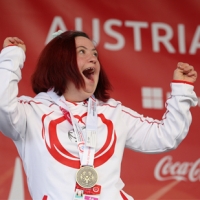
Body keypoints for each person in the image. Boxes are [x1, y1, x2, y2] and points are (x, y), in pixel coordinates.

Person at [0, 30, 198, 200]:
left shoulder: (112, 112)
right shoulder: (30, 113)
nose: (93, 58)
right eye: (82, 52)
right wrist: (11, 58)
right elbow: (3, 105)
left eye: (94, 53)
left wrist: (182, 90)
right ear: (59, 62)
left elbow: (166, 136)